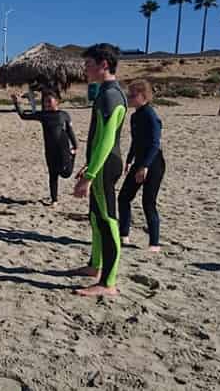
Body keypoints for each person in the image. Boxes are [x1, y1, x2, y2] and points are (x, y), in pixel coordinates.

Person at [71, 44, 128, 297]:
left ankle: (108, 283)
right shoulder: (107, 92)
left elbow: (106, 140)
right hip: (100, 163)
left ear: (104, 64)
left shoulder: (111, 95)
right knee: (96, 217)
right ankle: (95, 266)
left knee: (107, 220)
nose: (85, 68)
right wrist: (87, 165)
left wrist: (91, 175)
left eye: (89, 64)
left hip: (105, 166)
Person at [118, 80, 165, 252]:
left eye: (132, 95)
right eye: (128, 94)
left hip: (153, 163)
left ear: (143, 96)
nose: (129, 98)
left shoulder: (150, 115)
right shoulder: (134, 116)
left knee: (148, 202)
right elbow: (135, 141)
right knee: (123, 198)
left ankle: (154, 243)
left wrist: (144, 166)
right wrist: (130, 159)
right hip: (139, 162)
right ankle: (124, 234)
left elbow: (155, 143)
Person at [11, 89, 78, 205]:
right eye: (45, 102)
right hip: (50, 150)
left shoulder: (64, 115)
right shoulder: (43, 115)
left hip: (63, 148)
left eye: (49, 101)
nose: (47, 104)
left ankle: (72, 156)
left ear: (57, 102)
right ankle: (54, 200)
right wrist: (17, 103)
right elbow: (23, 116)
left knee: (66, 174)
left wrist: (75, 146)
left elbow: (70, 131)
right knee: (53, 174)